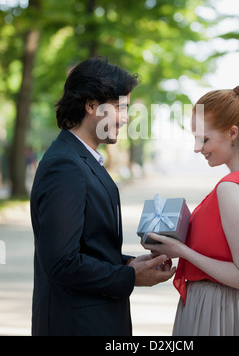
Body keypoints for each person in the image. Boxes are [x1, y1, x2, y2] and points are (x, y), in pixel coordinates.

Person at [30, 56, 175, 336]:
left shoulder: (81, 159)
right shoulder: (65, 164)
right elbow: (61, 262)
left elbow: (89, 248)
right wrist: (130, 277)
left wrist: (129, 263)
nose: (127, 117)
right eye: (121, 108)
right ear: (92, 105)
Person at [143, 85, 239, 336]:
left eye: (204, 138)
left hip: (216, 310)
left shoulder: (232, 189)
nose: (196, 147)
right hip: (223, 307)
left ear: (232, 133)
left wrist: (181, 251)